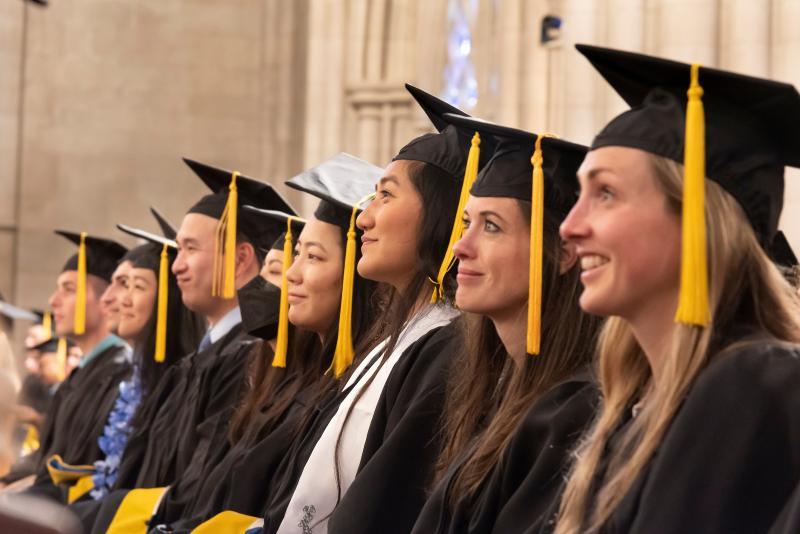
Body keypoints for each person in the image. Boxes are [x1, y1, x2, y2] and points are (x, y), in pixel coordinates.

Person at [552, 45, 800, 534]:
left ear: (697, 223)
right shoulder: (636, 402)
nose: (570, 226)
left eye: (605, 193)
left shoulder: (755, 384)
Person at [151, 152, 385, 533]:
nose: (290, 276)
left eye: (311, 257)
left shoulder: (353, 394)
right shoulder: (296, 389)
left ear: (355, 278)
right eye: (292, 258)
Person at [410, 107, 602, 533]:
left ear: (565, 251)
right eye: (466, 223)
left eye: (491, 227)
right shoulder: (488, 389)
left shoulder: (577, 410)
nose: (461, 246)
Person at [81, 159, 293, 532]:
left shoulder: (246, 360)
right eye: (177, 250)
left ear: (241, 258)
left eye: (190, 249)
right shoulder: (198, 362)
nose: (176, 266)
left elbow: (204, 486)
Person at [14, 232, 132, 500]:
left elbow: (79, 471)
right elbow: (49, 461)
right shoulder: (80, 375)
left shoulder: (119, 375)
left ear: (106, 300)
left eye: (68, 289)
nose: (53, 300)